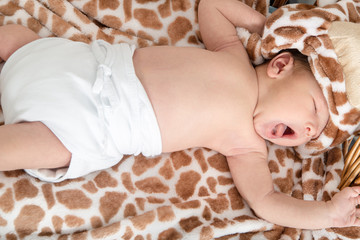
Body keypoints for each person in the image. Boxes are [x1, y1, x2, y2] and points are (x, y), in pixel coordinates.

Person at [0, 0, 359, 230]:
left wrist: (327, 214)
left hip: (89, 122)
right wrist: (270, 28)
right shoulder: (230, 52)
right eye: (314, 107)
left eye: (316, 131)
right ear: (279, 65)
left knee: (31, 145)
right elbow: (213, 6)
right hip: (80, 62)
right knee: (17, 40)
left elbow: (267, 202)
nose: (311, 130)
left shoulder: (246, 147)